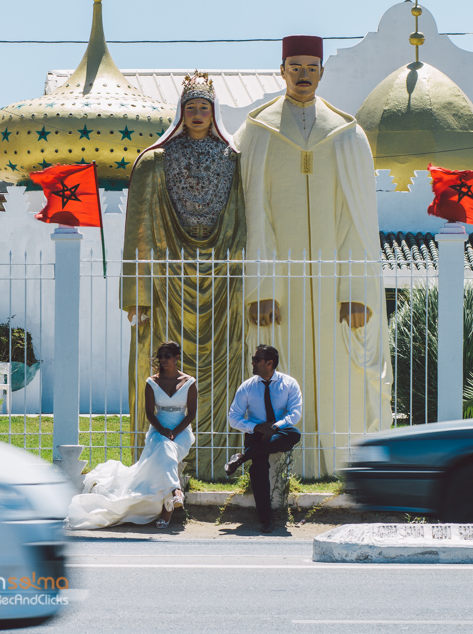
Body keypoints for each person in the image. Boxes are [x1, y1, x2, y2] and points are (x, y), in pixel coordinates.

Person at [233, 36, 391, 476]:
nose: (303, 74)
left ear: (322, 72)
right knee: (280, 368)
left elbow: (358, 221)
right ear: (281, 70)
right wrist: (261, 288)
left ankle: (339, 461)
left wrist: (357, 290)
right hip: (279, 286)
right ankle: (285, 465)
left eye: (311, 67)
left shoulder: (347, 134)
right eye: (295, 66)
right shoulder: (258, 132)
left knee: (338, 372)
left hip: (334, 284)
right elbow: (254, 217)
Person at [121, 71, 247, 477]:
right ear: (180, 112)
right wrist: (136, 296)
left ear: (214, 113)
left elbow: (244, 220)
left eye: (203, 107)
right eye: (190, 107)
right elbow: (138, 234)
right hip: (168, 281)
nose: (196, 114)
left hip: (221, 278)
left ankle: (214, 461)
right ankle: (161, 464)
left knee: (223, 359)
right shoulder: (155, 161)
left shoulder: (234, 159)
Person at [67, 342, 196, 530]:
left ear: (177, 357)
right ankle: (172, 497)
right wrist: (163, 431)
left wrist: (175, 432)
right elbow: (150, 414)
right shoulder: (152, 382)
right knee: (163, 447)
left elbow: (191, 413)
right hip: (158, 430)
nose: (163, 359)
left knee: (166, 449)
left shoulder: (189, 382)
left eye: (168, 355)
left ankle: (171, 499)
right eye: (161, 356)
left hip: (181, 432)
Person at [225, 345, 302, 533]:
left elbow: (295, 413)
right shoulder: (248, 386)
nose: (252, 362)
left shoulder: (289, 383)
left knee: (295, 433)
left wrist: (275, 426)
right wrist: (257, 427)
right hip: (255, 433)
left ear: (269, 363)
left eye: (256, 359)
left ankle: (243, 457)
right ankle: (266, 520)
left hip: (279, 430)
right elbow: (233, 417)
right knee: (259, 470)